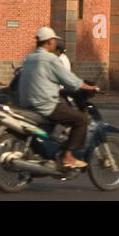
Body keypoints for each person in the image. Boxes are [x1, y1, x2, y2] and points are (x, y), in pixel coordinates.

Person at [18, 27, 97, 169]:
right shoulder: (50, 59)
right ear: (48, 42)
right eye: (54, 40)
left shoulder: (29, 58)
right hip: (45, 104)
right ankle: (68, 157)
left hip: (26, 103)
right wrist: (90, 87)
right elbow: (70, 80)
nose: (55, 43)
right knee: (81, 119)